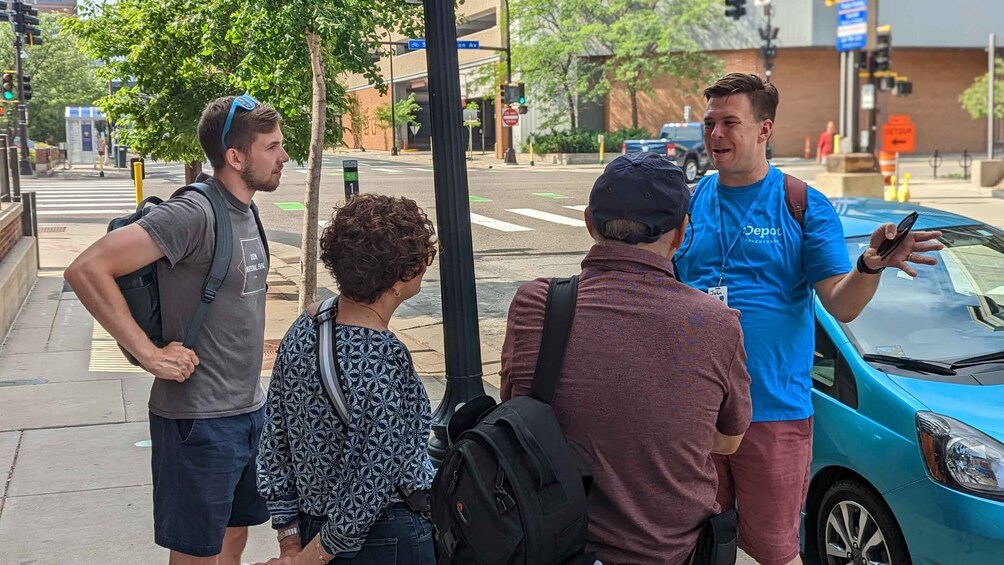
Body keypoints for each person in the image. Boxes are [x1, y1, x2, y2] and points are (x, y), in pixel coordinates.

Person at [674, 73, 943, 565]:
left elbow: (842, 304)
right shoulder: (688, 201)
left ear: (764, 130)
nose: (715, 135)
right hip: (693, 412)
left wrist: (868, 266)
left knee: (776, 552)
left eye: (730, 123)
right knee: (694, 545)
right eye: (710, 123)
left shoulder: (802, 205)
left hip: (772, 411)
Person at [65, 94, 289, 565]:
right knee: (195, 554)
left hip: (247, 411)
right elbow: (87, 269)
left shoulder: (245, 209)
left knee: (233, 537)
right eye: (272, 147)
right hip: (196, 421)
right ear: (235, 157)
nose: (283, 156)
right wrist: (149, 354)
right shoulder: (194, 213)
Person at [500, 152, 753, 565]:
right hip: (666, 552)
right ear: (681, 234)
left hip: (546, 544)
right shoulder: (716, 323)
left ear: (590, 223)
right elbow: (728, 439)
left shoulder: (535, 303)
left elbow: (516, 412)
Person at [254, 194, 438, 565]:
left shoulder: (306, 327)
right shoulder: (382, 355)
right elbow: (373, 477)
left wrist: (291, 541)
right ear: (401, 278)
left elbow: (274, 438)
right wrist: (311, 559)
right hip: (381, 537)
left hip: (310, 528)